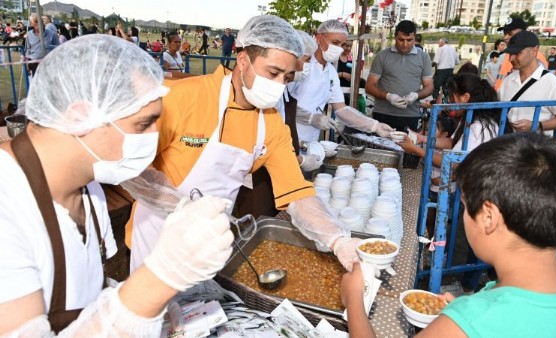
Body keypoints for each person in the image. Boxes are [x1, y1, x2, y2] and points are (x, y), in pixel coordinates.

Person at [0, 34, 235, 336]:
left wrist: (152, 314)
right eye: (143, 124)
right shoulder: (9, 206)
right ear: (81, 116)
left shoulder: (89, 188)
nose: (153, 137)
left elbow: (85, 295)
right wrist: (161, 278)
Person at [127, 15, 362, 274]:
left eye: (286, 78)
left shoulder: (271, 123)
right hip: (157, 237)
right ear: (243, 60)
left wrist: (337, 240)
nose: (278, 85)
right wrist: (180, 206)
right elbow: (133, 167)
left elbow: (297, 192)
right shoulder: (184, 98)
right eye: (272, 72)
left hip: (211, 241)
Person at [344, 133, 556, 337]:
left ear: (489, 217)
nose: (464, 215)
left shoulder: (470, 322)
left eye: (465, 207)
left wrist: (355, 299)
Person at [235, 29, 321, 218]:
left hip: (276, 174)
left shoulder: (278, 92)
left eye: (286, 77)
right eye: (305, 60)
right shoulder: (256, 95)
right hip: (255, 181)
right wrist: (299, 160)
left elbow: (277, 136)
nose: (305, 66)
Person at [288, 20, 394, 145]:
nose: (339, 49)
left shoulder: (331, 71)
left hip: (310, 140)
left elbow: (341, 110)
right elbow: (282, 104)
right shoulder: (302, 65)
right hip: (287, 135)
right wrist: (311, 118)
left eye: (342, 44)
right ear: (319, 38)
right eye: (335, 43)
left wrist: (374, 126)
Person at [366, 20, 434, 132]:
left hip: (410, 115)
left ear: (415, 38)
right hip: (383, 112)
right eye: (401, 40)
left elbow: (429, 87)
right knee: (381, 147)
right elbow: (369, 86)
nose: (405, 44)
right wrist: (388, 96)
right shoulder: (382, 56)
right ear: (395, 37)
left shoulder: (424, 57)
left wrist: (416, 95)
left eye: (409, 40)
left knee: (406, 148)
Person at [498, 31, 556, 136]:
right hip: (508, 146)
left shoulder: (552, 83)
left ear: (534, 51)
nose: (511, 58)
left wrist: (537, 125)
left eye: (517, 53)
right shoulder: (507, 81)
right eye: (511, 54)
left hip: (535, 148)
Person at [494, 17, 548, 91]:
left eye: (510, 34)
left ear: (522, 33)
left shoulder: (534, 56)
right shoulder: (507, 54)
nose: (505, 37)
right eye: (505, 34)